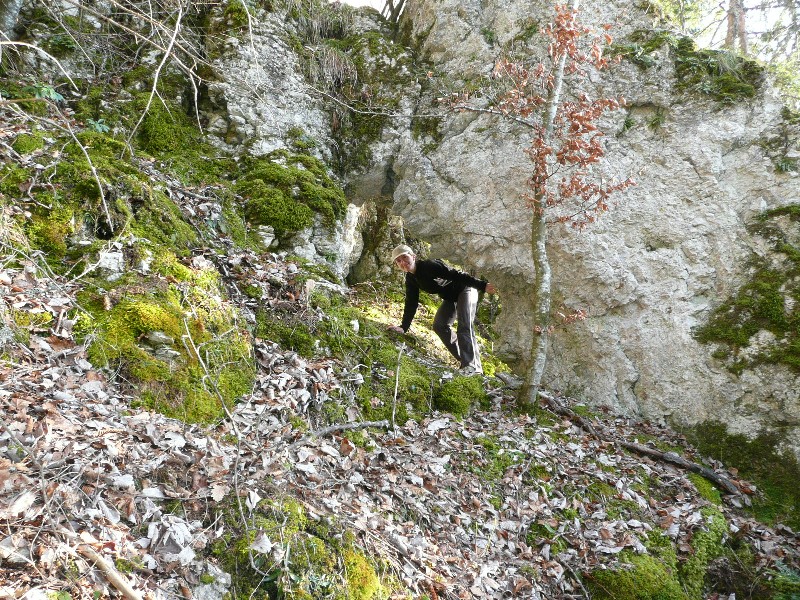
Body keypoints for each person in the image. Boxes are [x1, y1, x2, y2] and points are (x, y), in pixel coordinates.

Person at [387, 244, 498, 375]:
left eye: (405, 257)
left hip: (465, 289)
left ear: (413, 256)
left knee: (464, 324)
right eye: (398, 261)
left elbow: (457, 275)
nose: (403, 262)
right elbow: (411, 302)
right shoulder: (411, 279)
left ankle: (473, 366)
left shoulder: (429, 265)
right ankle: (465, 362)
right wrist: (403, 327)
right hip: (451, 299)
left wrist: (482, 285)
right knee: (439, 326)